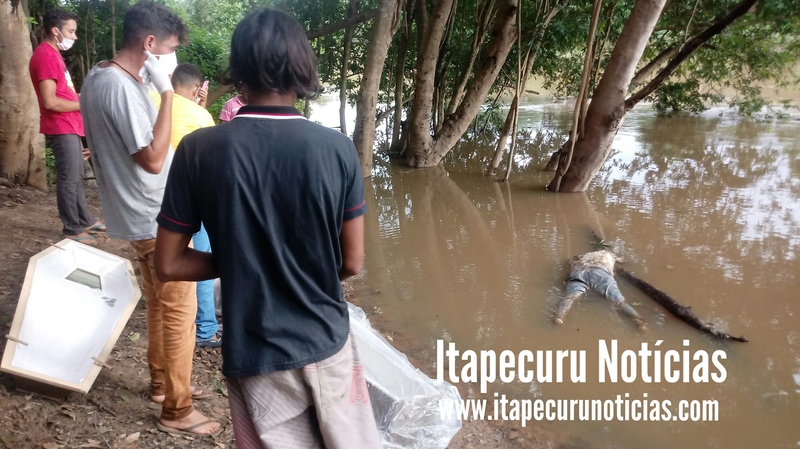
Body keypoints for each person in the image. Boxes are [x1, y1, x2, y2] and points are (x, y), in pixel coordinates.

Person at [154, 8, 381, 448]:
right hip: (326, 337)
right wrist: (290, 264)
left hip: (254, 347)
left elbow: (168, 262)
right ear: (302, 67)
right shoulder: (337, 149)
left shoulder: (198, 149)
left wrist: (245, 259)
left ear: (239, 70)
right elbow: (352, 261)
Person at [79, 1, 219, 437]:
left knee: (160, 304)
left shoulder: (99, 76)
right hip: (154, 214)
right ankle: (177, 410)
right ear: (150, 43)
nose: (171, 60)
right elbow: (154, 159)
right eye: (170, 50)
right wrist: (167, 97)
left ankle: (162, 384)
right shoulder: (121, 88)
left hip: (137, 212)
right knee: (180, 310)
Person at [149, 63, 220, 348]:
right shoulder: (200, 115)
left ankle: (169, 312)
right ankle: (205, 330)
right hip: (188, 200)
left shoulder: (153, 101)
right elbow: (214, 163)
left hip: (152, 197)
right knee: (199, 259)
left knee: (162, 258)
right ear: (195, 89)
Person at [29, 8, 104, 246]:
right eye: (71, 31)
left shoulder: (53, 55)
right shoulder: (46, 56)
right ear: (55, 31)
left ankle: (85, 219)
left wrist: (78, 98)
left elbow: (61, 92)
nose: (75, 36)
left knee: (76, 174)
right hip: (60, 125)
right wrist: (81, 102)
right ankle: (72, 228)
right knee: (69, 177)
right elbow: (50, 101)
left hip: (69, 123)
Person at [554, 250, 648, 329]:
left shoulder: (576, 258)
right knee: (619, 301)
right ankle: (639, 319)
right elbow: (623, 260)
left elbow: (569, 264)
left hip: (579, 272)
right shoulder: (607, 253)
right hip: (600, 272)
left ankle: (559, 317)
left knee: (569, 298)